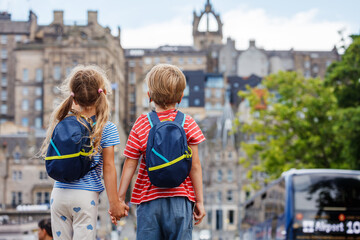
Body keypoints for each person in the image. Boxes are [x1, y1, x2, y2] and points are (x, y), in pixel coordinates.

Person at [113, 64, 206, 239]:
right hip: (181, 199)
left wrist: (119, 199)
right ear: (180, 97)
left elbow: (130, 162)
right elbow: (195, 166)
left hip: (148, 200)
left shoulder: (141, 124)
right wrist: (199, 201)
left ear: (149, 96)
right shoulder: (188, 123)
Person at [40, 65, 129, 239]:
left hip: (58, 194)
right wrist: (114, 204)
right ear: (101, 94)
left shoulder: (62, 122)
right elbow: (109, 167)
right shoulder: (106, 127)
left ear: (73, 98)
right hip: (85, 196)